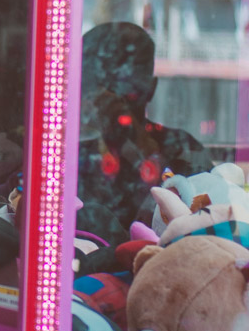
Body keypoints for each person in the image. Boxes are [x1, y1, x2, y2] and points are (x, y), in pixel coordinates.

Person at [76, 21, 212, 242]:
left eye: (126, 88)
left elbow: (205, 225)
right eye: (102, 88)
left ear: (151, 89)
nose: (111, 101)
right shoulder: (62, 152)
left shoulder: (181, 150)